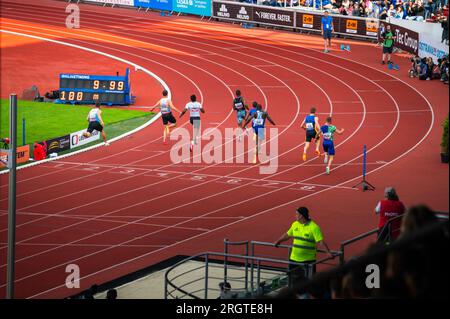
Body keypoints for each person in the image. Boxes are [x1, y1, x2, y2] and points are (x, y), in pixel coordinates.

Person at [274, 207, 333, 287]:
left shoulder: (314, 227)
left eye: (296, 214)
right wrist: (279, 241)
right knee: (293, 282)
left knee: (309, 283)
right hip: (294, 259)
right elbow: (288, 234)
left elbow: (320, 241)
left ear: (301, 216)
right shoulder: (295, 224)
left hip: (308, 261)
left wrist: (327, 252)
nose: (295, 216)